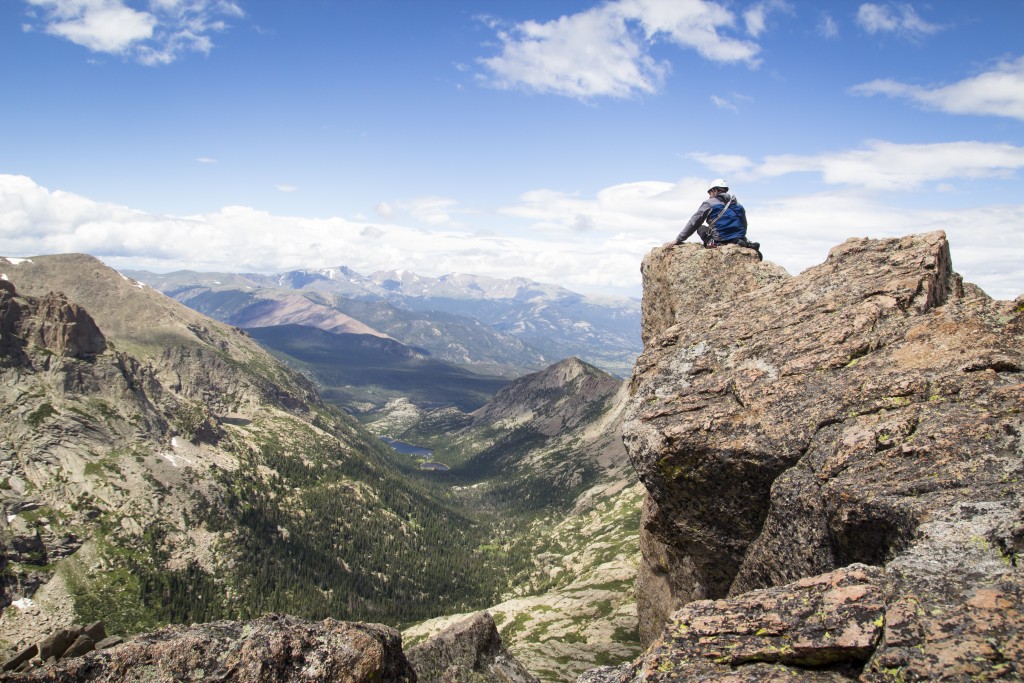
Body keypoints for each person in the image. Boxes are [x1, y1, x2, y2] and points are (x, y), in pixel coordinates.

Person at [674, 179, 761, 258]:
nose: (709, 195)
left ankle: (714, 244)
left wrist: (678, 240)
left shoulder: (709, 203)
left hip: (720, 240)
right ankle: (738, 242)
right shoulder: (738, 206)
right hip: (739, 239)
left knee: (701, 228)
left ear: (714, 191)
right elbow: (744, 225)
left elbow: (693, 223)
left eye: (710, 193)